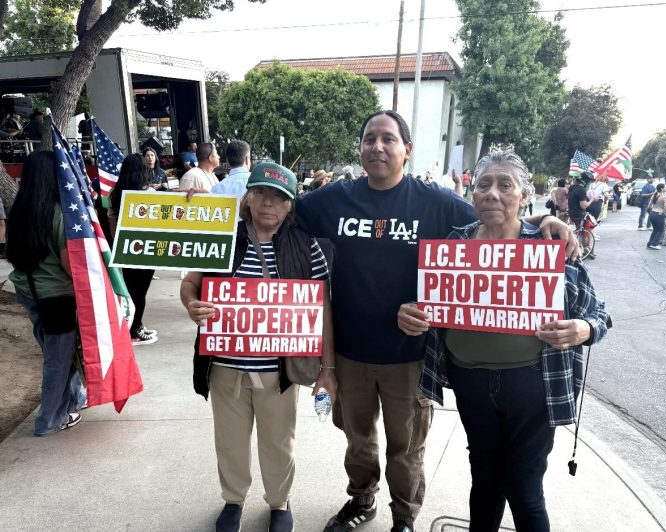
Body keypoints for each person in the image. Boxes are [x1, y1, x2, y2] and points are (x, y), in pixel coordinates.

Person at [296, 110, 576, 532]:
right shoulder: (333, 199)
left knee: (406, 446)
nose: (377, 146)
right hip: (350, 353)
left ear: (407, 150)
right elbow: (279, 211)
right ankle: (361, 499)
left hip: (411, 357)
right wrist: (238, 205)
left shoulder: (436, 202)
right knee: (358, 441)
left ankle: (404, 516)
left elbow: (494, 214)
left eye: (388, 139)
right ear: (360, 147)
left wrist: (543, 221)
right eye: (369, 138)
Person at [397, 149, 610, 532]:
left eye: (505, 185)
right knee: (484, 477)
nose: (492, 193)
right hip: (470, 383)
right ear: (472, 194)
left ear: (524, 196)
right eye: (483, 185)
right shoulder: (454, 244)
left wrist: (584, 330)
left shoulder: (549, 249)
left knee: (524, 487)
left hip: (531, 385)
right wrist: (412, 314)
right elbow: (432, 305)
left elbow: (600, 315)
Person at [180, 162, 336, 532]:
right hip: (225, 366)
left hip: (278, 370)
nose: (269, 203)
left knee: (279, 442)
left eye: (279, 197)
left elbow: (323, 308)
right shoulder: (222, 238)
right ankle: (233, 500)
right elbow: (191, 283)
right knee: (230, 440)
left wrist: (327, 370)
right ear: (248, 198)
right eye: (261, 193)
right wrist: (191, 304)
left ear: (290, 206)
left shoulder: (305, 246)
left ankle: (279, 502)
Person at [6, 151, 86, 436]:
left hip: (28, 291)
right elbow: (69, 264)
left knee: (58, 351)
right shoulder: (58, 214)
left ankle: (75, 398)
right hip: (58, 298)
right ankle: (50, 419)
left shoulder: (18, 211)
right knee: (59, 357)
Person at [108, 154, 158, 345]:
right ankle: (135, 329)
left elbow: (111, 219)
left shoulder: (115, 193)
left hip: (125, 249)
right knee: (140, 292)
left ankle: (131, 326)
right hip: (147, 249)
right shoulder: (149, 195)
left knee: (129, 290)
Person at [568, 176, 594, 259]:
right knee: (585, 233)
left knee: (586, 229)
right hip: (580, 214)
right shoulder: (581, 190)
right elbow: (583, 205)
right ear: (585, 182)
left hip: (572, 213)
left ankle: (586, 249)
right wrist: (591, 200)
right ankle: (586, 250)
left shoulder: (571, 189)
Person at [647, 183, 666, 250]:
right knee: (660, 230)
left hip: (652, 213)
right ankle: (654, 244)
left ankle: (650, 243)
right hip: (659, 214)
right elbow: (665, 208)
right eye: (665, 187)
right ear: (662, 189)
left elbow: (649, 206)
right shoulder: (664, 197)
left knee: (655, 230)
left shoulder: (654, 195)